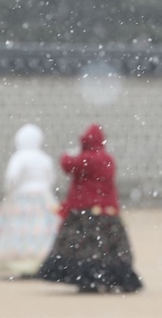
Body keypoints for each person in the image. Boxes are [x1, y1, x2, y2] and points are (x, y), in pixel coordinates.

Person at [37, 123, 143, 293]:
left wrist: (68, 154)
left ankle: (86, 279)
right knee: (108, 249)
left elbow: (67, 165)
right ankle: (111, 278)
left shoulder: (88, 158)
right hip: (107, 211)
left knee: (83, 249)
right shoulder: (107, 158)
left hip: (84, 211)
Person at [0, 123, 60, 279]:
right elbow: (51, 178)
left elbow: (11, 178)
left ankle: (23, 263)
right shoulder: (44, 158)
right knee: (43, 232)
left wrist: (11, 193)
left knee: (21, 232)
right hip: (44, 197)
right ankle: (42, 262)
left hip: (22, 196)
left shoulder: (19, 157)